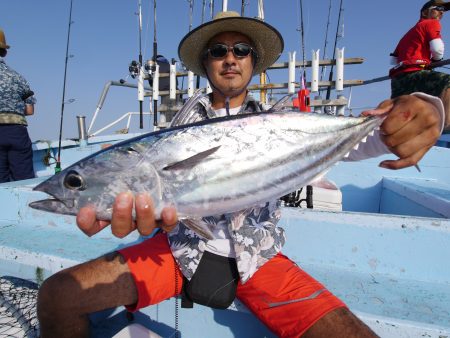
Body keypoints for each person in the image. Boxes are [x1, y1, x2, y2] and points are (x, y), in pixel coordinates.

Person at [37, 11, 446, 338]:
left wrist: (426, 110)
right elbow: (144, 180)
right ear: (205, 62)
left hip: (261, 257)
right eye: (218, 50)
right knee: (59, 294)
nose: (230, 57)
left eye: (241, 50)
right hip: (178, 253)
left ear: (253, 62)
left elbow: (367, 140)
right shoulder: (176, 127)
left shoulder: (285, 121)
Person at [389, 0, 450, 131]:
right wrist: (435, 60)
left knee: (400, 110)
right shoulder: (431, 23)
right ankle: (446, 126)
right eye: (438, 8)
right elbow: (438, 49)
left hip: (398, 79)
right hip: (414, 74)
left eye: (444, 10)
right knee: (448, 82)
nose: (442, 12)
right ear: (424, 12)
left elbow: (393, 60)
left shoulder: (408, 33)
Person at [0, 28, 36, 183]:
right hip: (17, 133)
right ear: (4, 52)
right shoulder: (18, 77)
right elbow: (30, 110)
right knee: (23, 182)